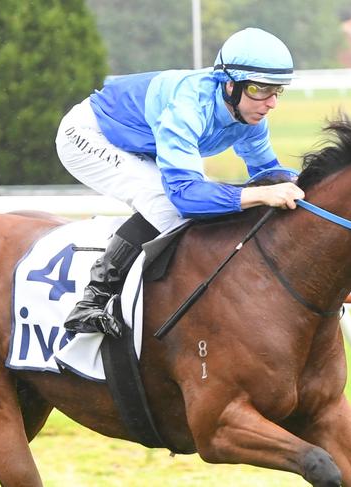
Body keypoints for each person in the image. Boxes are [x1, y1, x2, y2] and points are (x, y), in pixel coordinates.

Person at [55, 27, 305, 338]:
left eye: (276, 91)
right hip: (89, 135)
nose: (270, 104)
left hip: (143, 144)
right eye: (259, 90)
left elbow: (268, 173)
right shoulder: (189, 106)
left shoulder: (249, 118)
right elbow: (185, 196)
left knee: (207, 200)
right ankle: (93, 299)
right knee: (165, 203)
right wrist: (260, 195)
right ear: (229, 85)